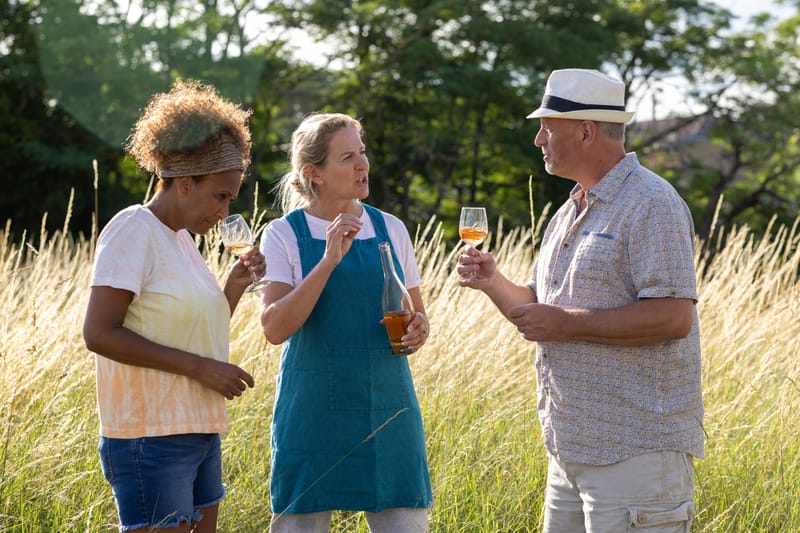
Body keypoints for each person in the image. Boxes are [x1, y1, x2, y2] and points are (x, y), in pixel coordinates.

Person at [457, 68, 704, 532]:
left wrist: (566, 323)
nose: (538, 139)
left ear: (586, 131)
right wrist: (493, 281)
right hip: (569, 453)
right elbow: (537, 307)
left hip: (636, 457)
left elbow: (673, 318)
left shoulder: (653, 202)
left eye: (548, 127)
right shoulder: (570, 209)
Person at [82, 80, 260, 532]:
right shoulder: (133, 229)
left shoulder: (182, 241)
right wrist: (202, 369)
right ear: (184, 183)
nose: (224, 213)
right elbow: (99, 333)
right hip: (150, 437)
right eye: (220, 196)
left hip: (198, 429)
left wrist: (234, 286)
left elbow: (195, 326)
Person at [259, 112, 432, 532]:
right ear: (312, 173)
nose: (363, 165)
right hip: (313, 412)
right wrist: (329, 260)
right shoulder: (282, 235)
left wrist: (419, 328)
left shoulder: (391, 228)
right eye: (347, 157)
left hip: (387, 409)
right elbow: (275, 328)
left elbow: (417, 314)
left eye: (363, 152)